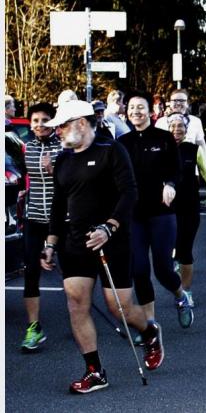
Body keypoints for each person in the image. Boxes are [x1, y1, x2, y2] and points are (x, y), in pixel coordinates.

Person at [40, 100, 163, 393]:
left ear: (81, 123)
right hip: (75, 242)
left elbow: (129, 193)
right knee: (76, 303)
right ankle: (95, 372)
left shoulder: (112, 150)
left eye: (62, 126)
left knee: (119, 307)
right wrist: (51, 242)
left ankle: (149, 332)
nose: (57, 131)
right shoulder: (63, 159)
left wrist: (109, 227)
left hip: (113, 240)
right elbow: (59, 204)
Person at [119, 95, 194, 329]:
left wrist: (170, 185)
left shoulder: (164, 138)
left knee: (163, 269)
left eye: (140, 107)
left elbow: (176, 170)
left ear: (150, 111)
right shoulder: (122, 142)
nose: (136, 111)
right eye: (132, 107)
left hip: (161, 213)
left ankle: (181, 295)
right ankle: (149, 323)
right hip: (135, 215)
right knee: (139, 270)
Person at [168, 113, 206, 306]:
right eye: (173, 126)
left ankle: (186, 292)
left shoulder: (193, 149)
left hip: (189, 205)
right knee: (171, 247)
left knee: (186, 249)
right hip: (166, 207)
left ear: (186, 129)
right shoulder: (162, 149)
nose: (176, 129)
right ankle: (174, 263)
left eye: (180, 126)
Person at [19, 103, 62, 351]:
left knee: (72, 273)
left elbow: (72, 180)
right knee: (31, 272)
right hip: (34, 217)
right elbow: (18, 172)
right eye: (35, 120)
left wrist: (52, 170)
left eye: (44, 120)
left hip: (61, 219)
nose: (39, 125)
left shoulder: (63, 146)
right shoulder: (27, 147)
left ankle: (79, 318)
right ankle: (33, 327)